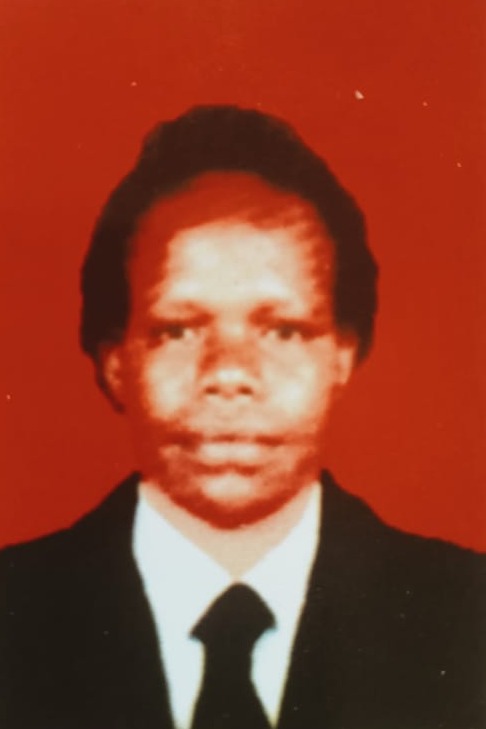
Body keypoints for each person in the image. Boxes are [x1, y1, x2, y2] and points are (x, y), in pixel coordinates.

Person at [1, 105, 484, 729]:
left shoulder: (466, 619)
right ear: (115, 360)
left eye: (283, 330)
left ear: (343, 354)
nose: (229, 374)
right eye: (178, 330)